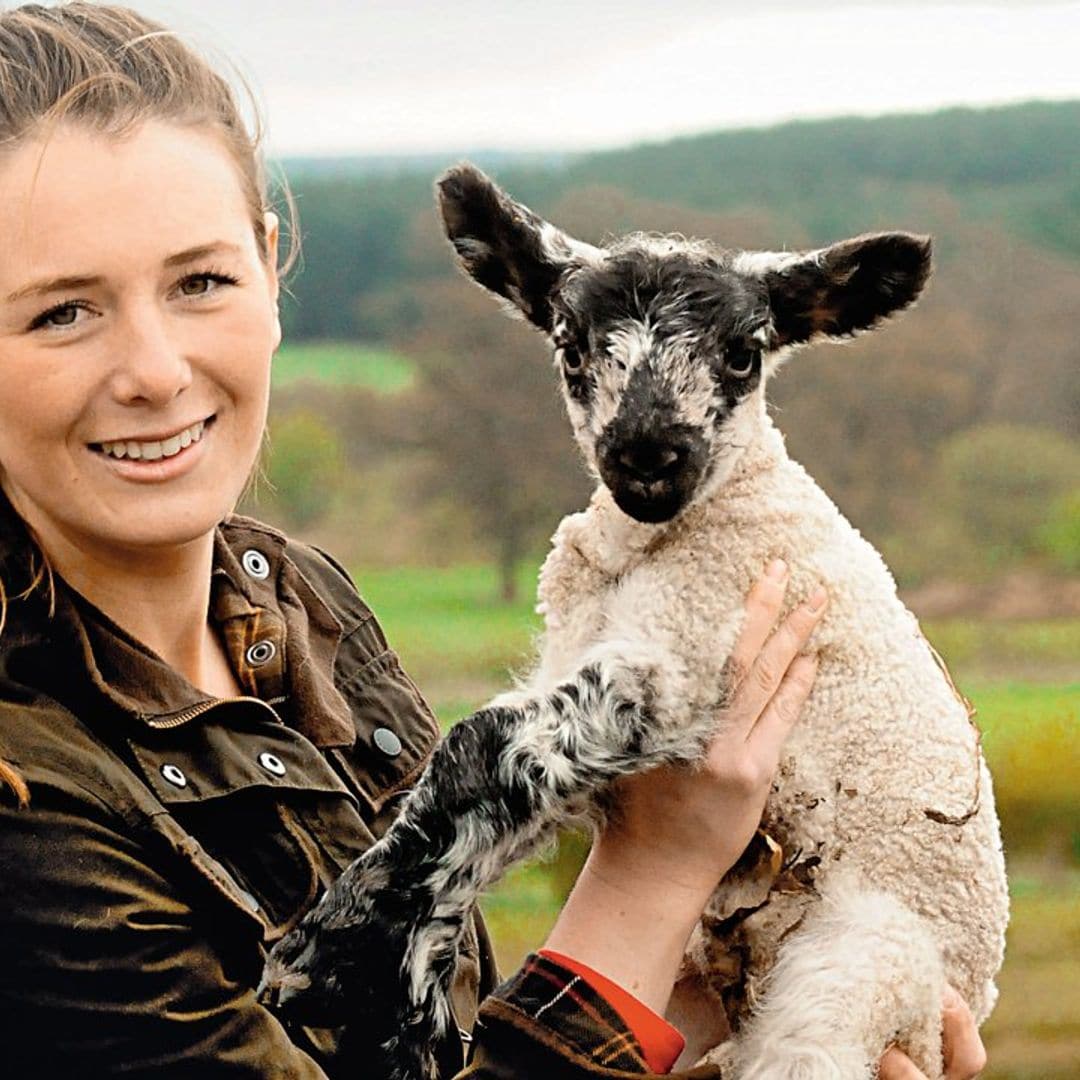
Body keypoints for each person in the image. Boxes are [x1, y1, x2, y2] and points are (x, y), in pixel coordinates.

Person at [0, 4, 987, 1077]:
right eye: (61, 312)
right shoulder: (25, 798)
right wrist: (649, 880)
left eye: (199, 282)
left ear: (270, 263)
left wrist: (716, 1024)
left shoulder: (301, 608)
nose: (153, 370)